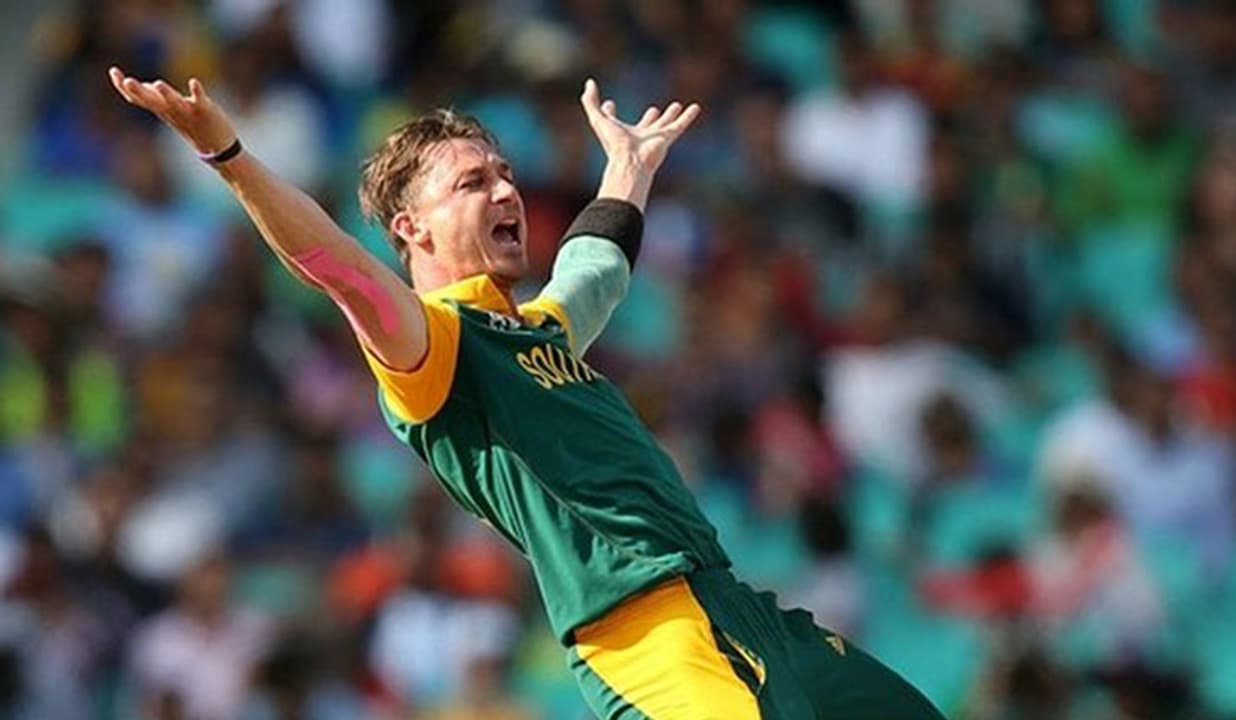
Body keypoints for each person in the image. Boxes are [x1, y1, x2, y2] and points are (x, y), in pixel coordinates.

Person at [107, 64, 945, 719]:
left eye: (504, 174)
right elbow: (337, 268)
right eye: (472, 183)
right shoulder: (431, 349)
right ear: (410, 228)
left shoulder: (536, 332)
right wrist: (229, 156)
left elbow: (595, 268)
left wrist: (627, 169)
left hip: (733, 605)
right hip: (643, 635)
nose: (506, 190)